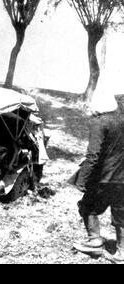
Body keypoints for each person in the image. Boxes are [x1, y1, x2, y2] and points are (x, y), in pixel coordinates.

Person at [71, 93, 124, 264]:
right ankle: (122, 252)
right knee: (120, 213)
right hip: (122, 177)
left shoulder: (99, 122)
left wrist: (82, 180)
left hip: (104, 177)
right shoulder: (122, 120)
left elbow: (93, 155)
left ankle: (94, 240)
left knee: (87, 206)